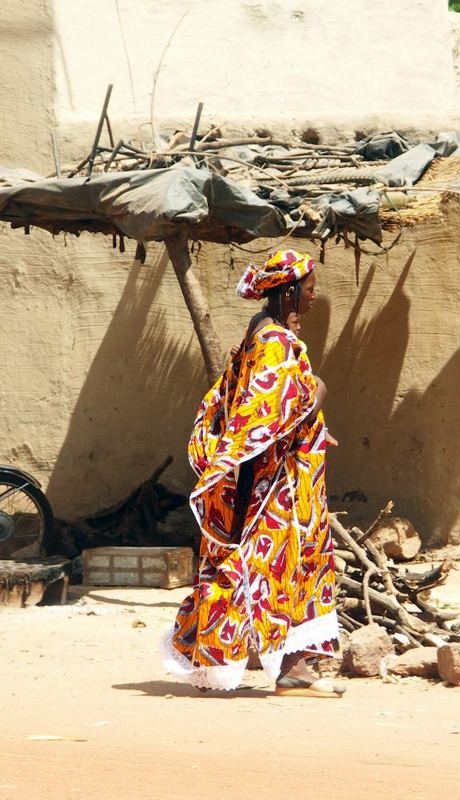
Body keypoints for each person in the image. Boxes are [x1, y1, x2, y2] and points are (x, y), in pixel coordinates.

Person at [163, 249, 343, 696]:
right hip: (274, 489)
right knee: (278, 567)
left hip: (283, 485)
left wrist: (315, 424)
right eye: (309, 288)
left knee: (284, 568)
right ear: (288, 292)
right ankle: (284, 669)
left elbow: (258, 405)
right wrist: (318, 394)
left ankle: (290, 668)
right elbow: (266, 413)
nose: (314, 296)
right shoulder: (274, 343)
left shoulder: (261, 334)